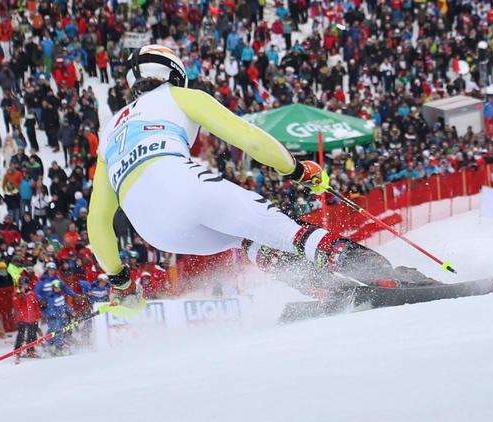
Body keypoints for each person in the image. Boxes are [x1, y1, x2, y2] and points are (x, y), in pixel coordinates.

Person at [86, 45, 433, 305]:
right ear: (175, 74)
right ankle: (384, 277)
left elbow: (97, 222)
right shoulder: (179, 95)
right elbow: (250, 139)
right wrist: (296, 169)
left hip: (157, 232)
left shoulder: (108, 133)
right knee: (288, 232)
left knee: (246, 238)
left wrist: (122, 283)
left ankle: (325, 287)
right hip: (186, 189)